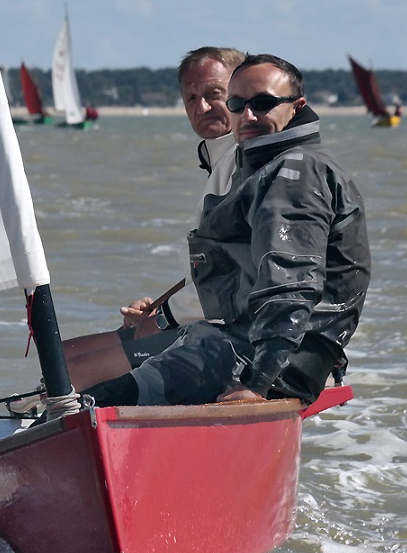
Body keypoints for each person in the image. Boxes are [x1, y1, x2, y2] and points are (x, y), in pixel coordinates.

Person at [82, 53, 370, 408]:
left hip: (272, 362)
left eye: (263, 103)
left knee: (95, 404)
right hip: (236, 341)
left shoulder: (294, 173)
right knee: (90, 400)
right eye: (238, 103)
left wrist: (258, 384)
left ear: (296, 107)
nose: (248, 115)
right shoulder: (264, 167)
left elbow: (291, 287)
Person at [56, 46, 246, 394]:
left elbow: (232, 280)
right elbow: (217, 266)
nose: (201, 107)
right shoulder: (220, 161)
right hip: (197, 317)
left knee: (67, 372)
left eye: (213, 94)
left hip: (226, 335)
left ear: (240, 92)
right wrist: (161, 306)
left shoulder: (241, 164)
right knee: (59, 355)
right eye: (191, 98)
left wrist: (161, 318)